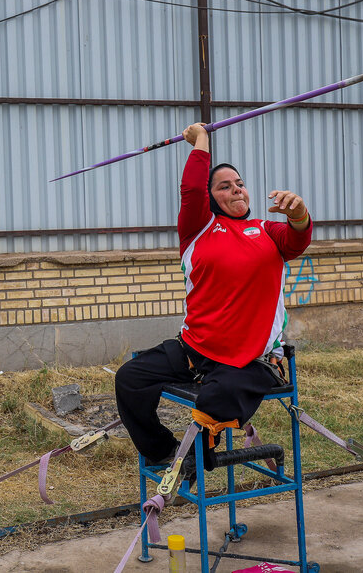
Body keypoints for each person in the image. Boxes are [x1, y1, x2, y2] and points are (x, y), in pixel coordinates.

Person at [115, 122, 312, 477]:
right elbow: (191, 187)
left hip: (249, 359)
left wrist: (298, 212)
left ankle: (195, 457)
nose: (236, 189)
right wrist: (201, 140)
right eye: (225, 186)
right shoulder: (197, 229)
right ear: (210, 198)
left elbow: (299, 239)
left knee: (213, 401)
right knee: (130, 378)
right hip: (195, 349)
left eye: (239, 183)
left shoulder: (268, 232)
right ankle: (163, 450)